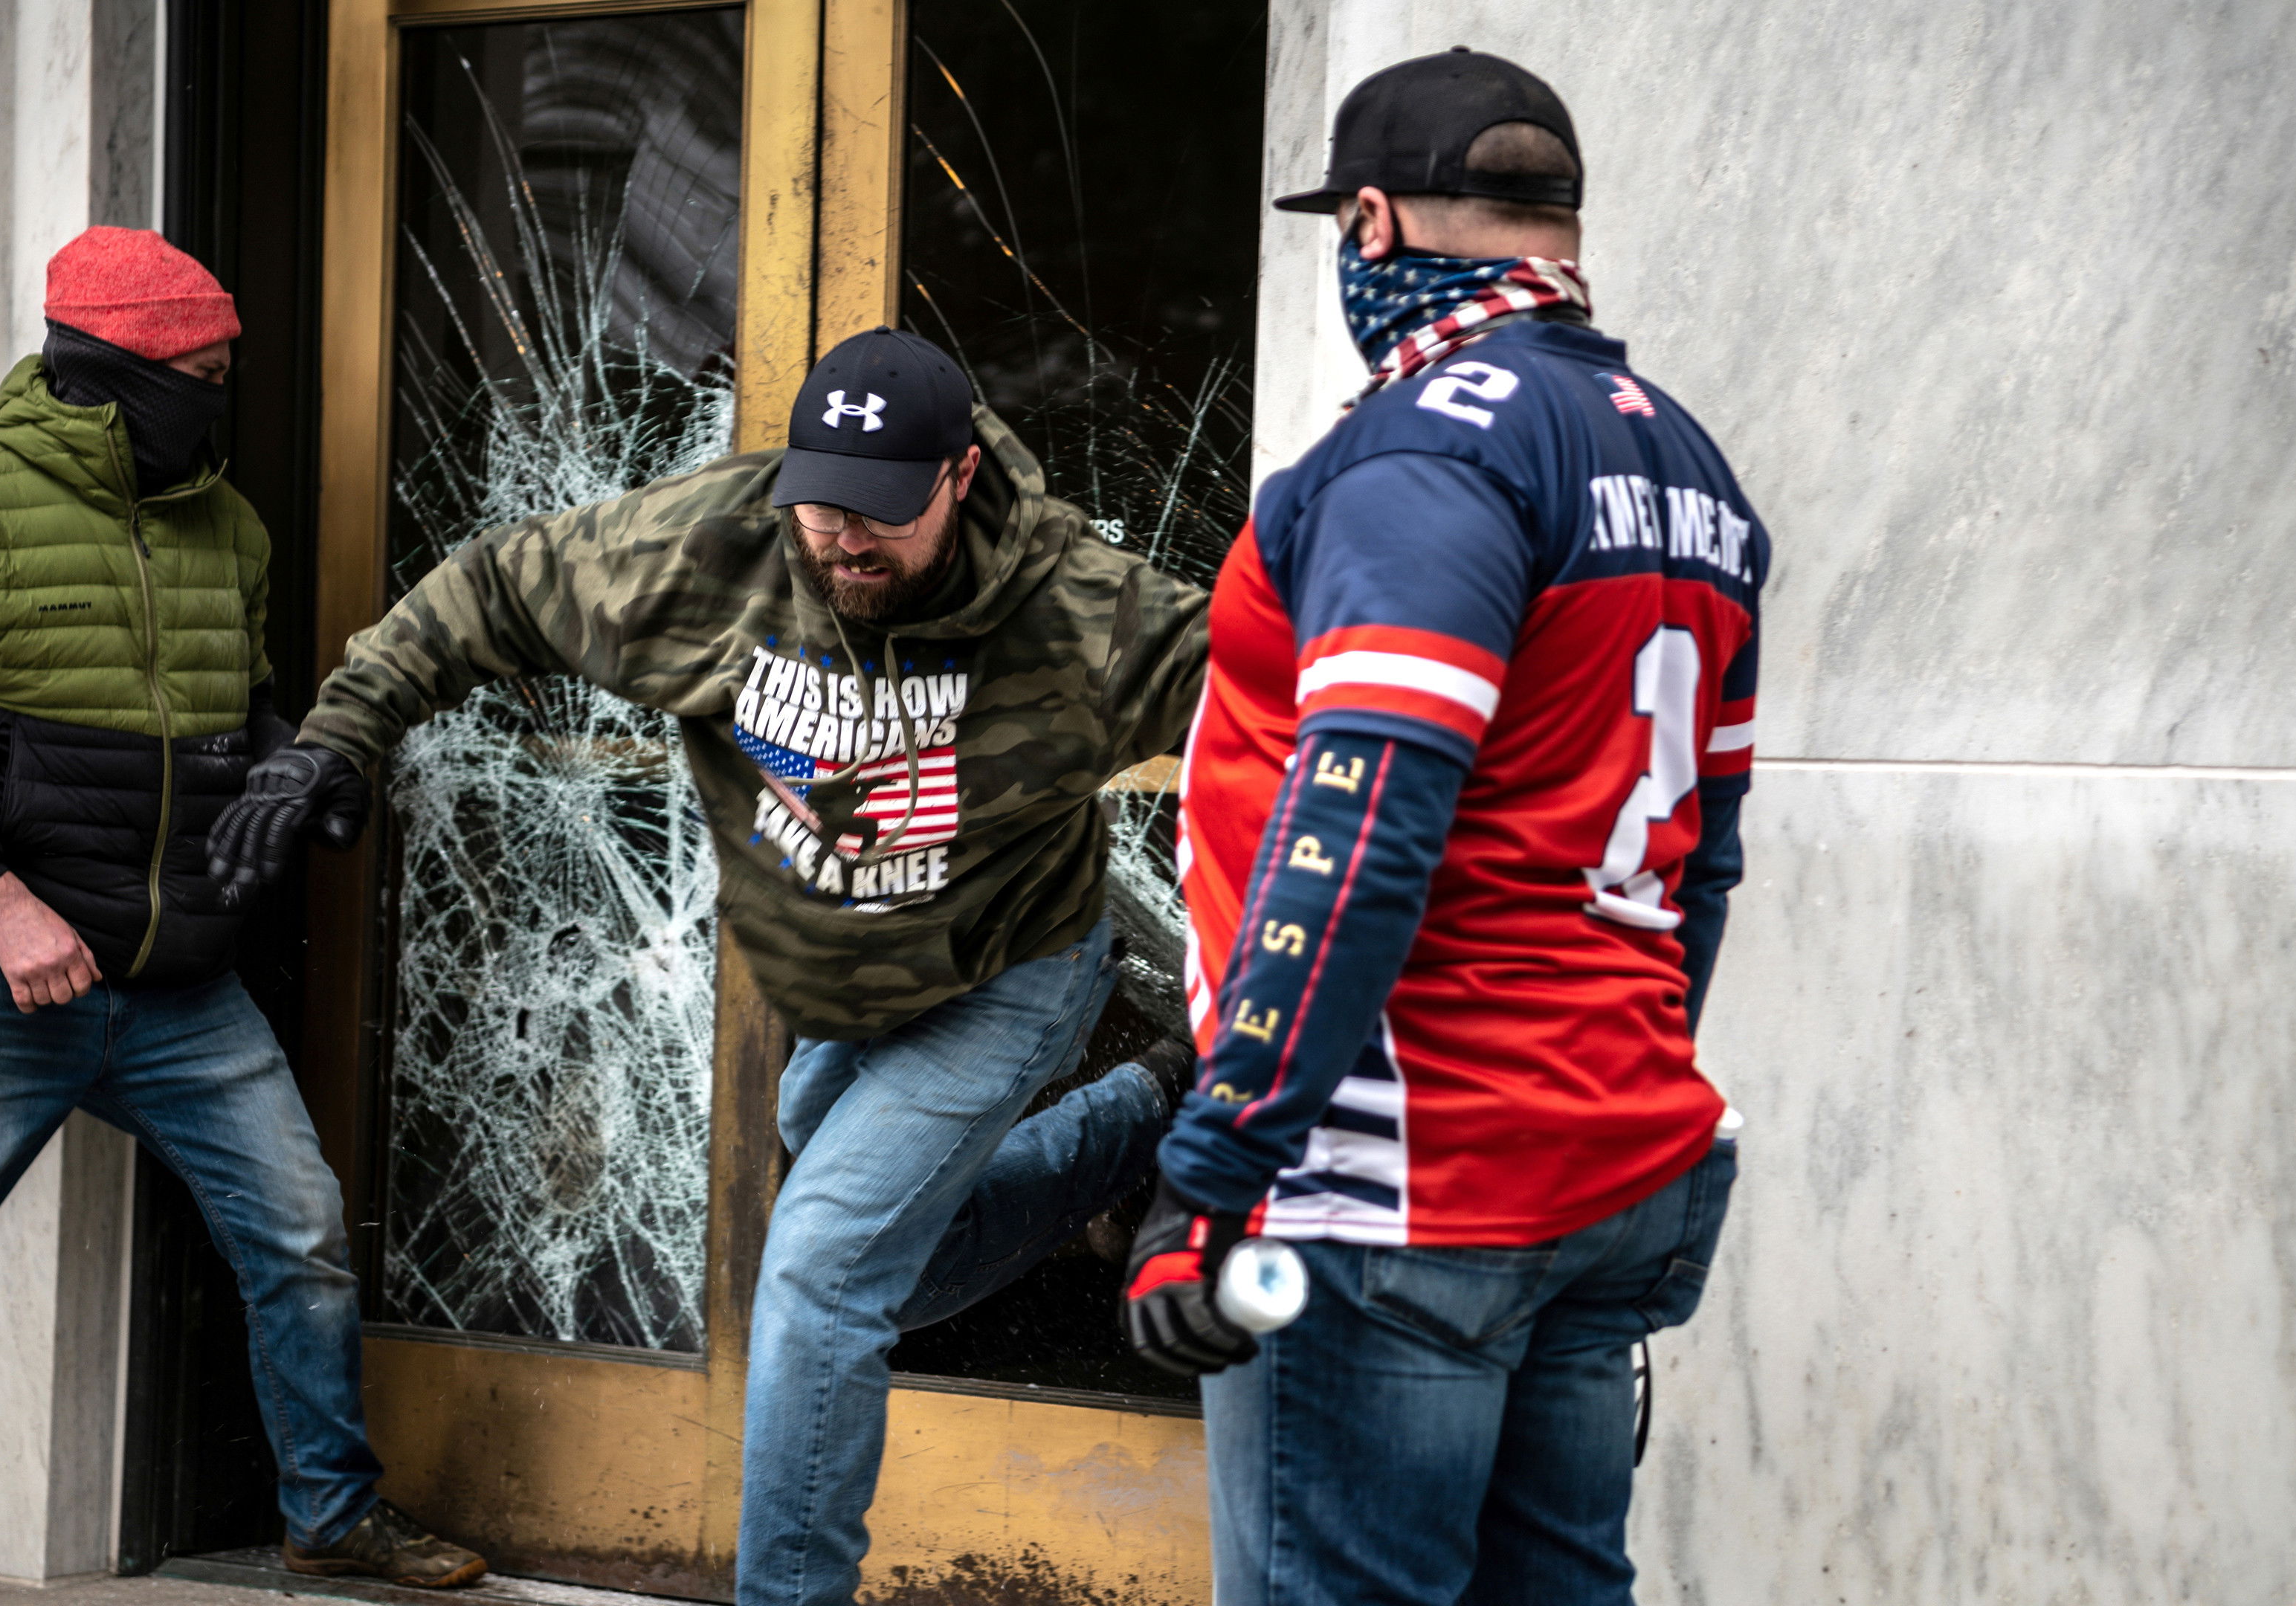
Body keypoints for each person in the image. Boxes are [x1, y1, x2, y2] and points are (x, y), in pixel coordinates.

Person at [219, 325, 1207, 1606]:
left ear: (961, 478)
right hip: (843, 980)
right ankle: (1142, 1116)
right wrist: (336, 739)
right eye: (823, 507)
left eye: (883, 513)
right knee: (892, 1267)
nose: (844, 541)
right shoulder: (715, 549)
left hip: (1010, 963)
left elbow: (1299, 707)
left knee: (820, 1272)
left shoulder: (1084, 609)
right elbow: (497, 586)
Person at [0, 228, 486, 1606]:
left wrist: (297, 773)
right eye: (202, 374)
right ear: (115, 373)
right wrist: (0, 903)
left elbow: (239, 713)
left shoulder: (230, 529)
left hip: (179, 984)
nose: (221, 395)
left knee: (301, 1232)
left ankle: (330, 1515)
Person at [1119, 49, 1764, 1605]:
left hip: (1402, 1183)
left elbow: (1361, 830)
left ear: (1371, 224)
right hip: (1611, 1156)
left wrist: (1215, 1169)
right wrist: (1602, 1074)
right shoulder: (1685, 461)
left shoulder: (1421, 454)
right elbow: (1707, 859)